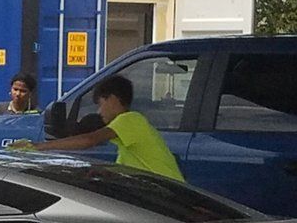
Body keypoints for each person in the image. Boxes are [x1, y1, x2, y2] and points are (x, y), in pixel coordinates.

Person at [19, 75, 184, 181]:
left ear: (112, 99)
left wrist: (38, 147)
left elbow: (89, 140)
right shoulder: (128, 140)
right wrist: (105, 173)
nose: (99, 111)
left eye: (100, 104)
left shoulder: (131, 119)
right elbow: (126, 170)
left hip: (170, 194)